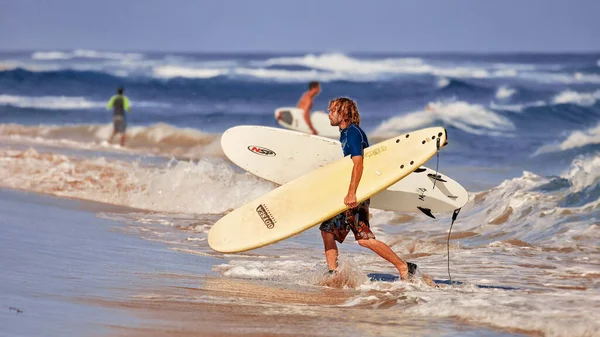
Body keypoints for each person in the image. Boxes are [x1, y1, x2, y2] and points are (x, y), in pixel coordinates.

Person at [320, 97, 417, 281]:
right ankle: (333, 273)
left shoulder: (354, 133)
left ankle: (404, 267)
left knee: (364, 239)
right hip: (353, 192)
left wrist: (351, 193)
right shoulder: (346, 133)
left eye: (332, 110)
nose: (329, 114)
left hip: (357, 193)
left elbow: (359, 164)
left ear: (344, 113)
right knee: (327, 230)